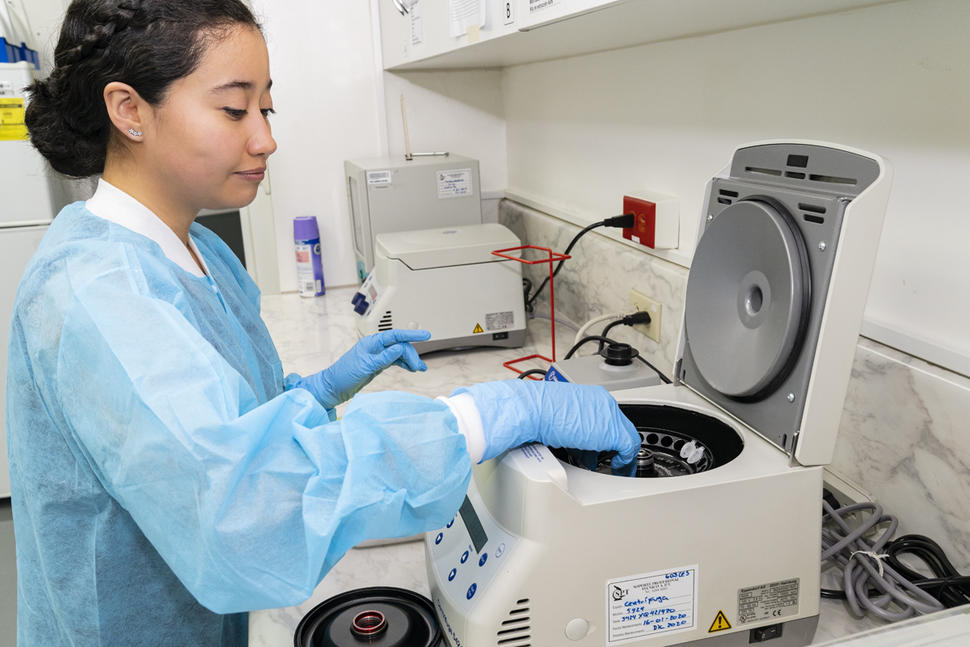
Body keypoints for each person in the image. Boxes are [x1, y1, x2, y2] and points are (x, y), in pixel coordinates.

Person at [6, 1, 640, 645]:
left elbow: (205, 435)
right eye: (234, 109)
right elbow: (245, 511)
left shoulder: (198, 251)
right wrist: (485, 414)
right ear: (129, 110)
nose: (265, 138)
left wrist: (313, 393)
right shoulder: (96, 294)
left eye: (267, 108)